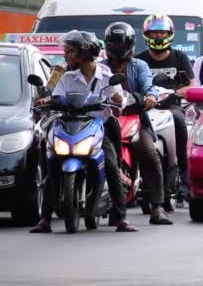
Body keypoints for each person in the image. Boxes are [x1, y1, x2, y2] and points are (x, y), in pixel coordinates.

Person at [30, 30, 137, 233]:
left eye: (69, 51)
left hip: (98, 127)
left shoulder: (106, 76)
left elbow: (121, 100)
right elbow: (55, 96)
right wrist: (48, 100)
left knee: (112, 167)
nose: (66, 55)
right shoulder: (65, 76)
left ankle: (121, 218)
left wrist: (116, 99)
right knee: (52, 163)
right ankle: (45, 218)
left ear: (84, 53)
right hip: (70, 125)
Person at [103, 22, 173, 225]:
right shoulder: (101, 67)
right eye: (114, 43)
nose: (117, 47)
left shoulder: (139, 66)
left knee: (149, 153)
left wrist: (150, 96)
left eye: (121, 43)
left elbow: (147, 85)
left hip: (135, 118)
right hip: (107, 121)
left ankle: (157, 207)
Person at [135, 14, 194, 206]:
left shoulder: (180, 57)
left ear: (169, 34)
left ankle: (185, 180)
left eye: (162, 32)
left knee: (179, 121)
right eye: (154, 32)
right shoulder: (139, 60)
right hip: (146, 109)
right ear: (147, 35)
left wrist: (173, 93)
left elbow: (191, 86)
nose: (159, 36)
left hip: (171, 108)